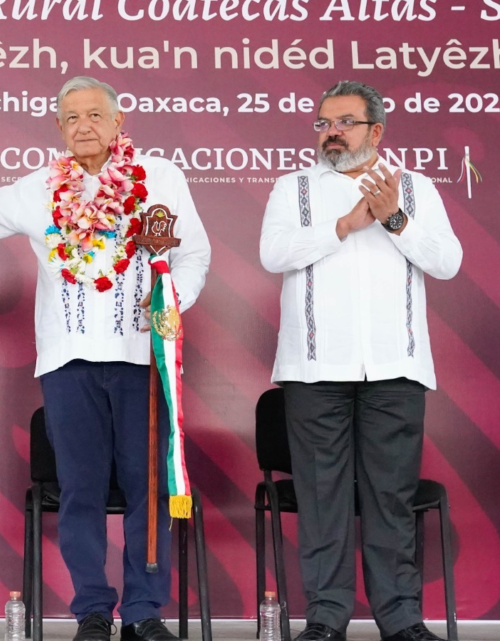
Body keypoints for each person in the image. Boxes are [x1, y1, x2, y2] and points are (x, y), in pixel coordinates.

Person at [0, 76, 210, 641]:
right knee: (79, 490)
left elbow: (192, 254)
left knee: (146, 489)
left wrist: (174, 302)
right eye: (71, 117)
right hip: (67, 363)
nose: (83, 126)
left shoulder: (161, 179)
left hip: (140, 359)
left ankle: (146, 610)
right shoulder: (38, 190)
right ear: (59, 127)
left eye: (94, 115)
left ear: (118, 121)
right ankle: (93, 611)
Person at [259, 80, 462, 641]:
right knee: (321, 499)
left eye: (344, 122)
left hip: (394, 369)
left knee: (390, 500)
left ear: (376, 130)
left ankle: (401, 618)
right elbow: (273, 253)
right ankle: (326, 617)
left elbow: (446, 262)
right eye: (323, 123)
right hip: (315, 369)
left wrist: (395, 217)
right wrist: (345, 225)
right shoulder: (293, 187)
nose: (331, 133)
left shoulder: (415, 188)